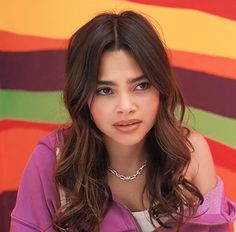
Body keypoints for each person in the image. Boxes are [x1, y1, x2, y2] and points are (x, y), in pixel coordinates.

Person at [10, 10, 236, 232]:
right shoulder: (53, 161)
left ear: (161, 87)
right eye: (105, 90)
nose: (126, 107)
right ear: (83, 96)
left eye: (141, 86)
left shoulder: (190, 154)